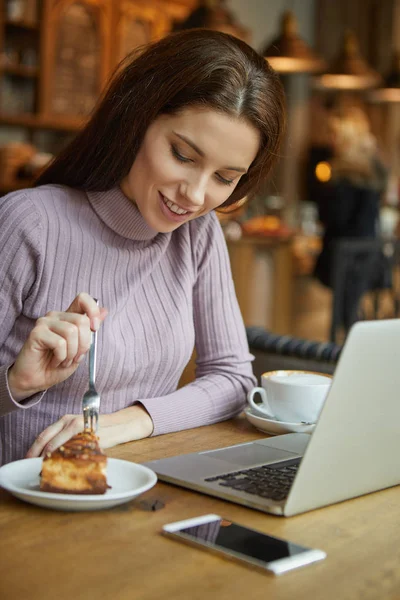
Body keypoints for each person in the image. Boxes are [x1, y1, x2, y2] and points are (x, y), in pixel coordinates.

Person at [0, 29, 285, 465]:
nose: (194, 195)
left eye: (225, 178)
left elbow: (233, 379)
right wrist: (16, 384)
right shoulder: (30, 223)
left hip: (143, 493)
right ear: (137, 118)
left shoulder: (198, 234)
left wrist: (127, 422)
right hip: (26, 510)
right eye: (183, 155)